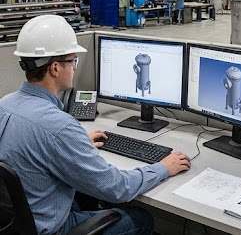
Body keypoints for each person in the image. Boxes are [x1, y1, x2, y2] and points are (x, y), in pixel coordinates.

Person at [0, 15, 192, 235]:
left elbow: (34, 148)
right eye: (73, 61)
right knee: (140, 218)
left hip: (17, 223)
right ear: (55, 68)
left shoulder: (4, 105)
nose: (74, 67)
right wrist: (163, 168)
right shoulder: (59, 128)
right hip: (49, 228)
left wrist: (78, 144)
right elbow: (118, 188)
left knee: (88, 196)